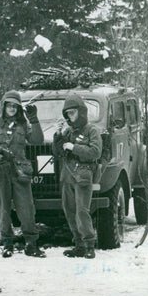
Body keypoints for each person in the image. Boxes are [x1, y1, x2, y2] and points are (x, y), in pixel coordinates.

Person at [0, 91, 44, 257]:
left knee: (27, 208)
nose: (12, 108)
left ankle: (31, 243)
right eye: (9, 105)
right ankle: (7, 243)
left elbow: (37, 141)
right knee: (3, 209)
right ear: (3, 106)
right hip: (0, 172)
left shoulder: (22, 125)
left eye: (15, 106)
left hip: (19, 172)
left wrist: (34, 120)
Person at [53, 94, 102, 259]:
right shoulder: (68, 131)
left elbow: (95, 152)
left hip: (83, 176)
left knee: (82, 211)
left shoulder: (92, 130)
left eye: (72, 113)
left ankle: (89, 245)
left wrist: (74, 147)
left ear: (81, 112)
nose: (69, 116)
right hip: (67, 176)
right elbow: (57, 152)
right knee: (69, 210)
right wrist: (58, 135)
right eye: (67, 114)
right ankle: (79, 245)